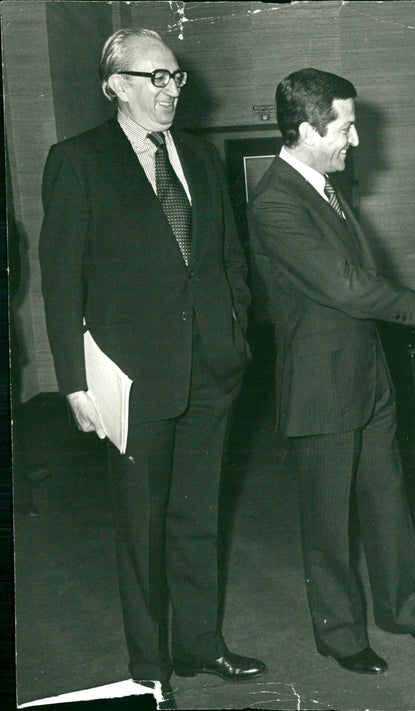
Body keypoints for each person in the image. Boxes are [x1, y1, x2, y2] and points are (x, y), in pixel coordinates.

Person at [38, 28, 266, 701]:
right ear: (115, 84)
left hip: (211, 371)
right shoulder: (77, 160)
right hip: (132, 381)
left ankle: (199, 645)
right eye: (155, 78)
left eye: (176, 78)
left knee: (198, 516)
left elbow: (227, 259)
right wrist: (74, 384)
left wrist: (236, 331)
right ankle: (150, 669)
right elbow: (61, 282)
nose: (170, 90)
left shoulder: (198, 153)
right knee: (141, 528)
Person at [247, 67, 415, 675]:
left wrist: (409, 300)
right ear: (309, 130)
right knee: (329, 521)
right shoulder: (276, 200)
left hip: (366, 375)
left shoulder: (324, 186)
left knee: (388, 501)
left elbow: (358, 278)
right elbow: (343, 285)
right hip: (320, 386)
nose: (355, 140)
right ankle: (340, 635)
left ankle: (401, 609)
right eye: (346, 126)